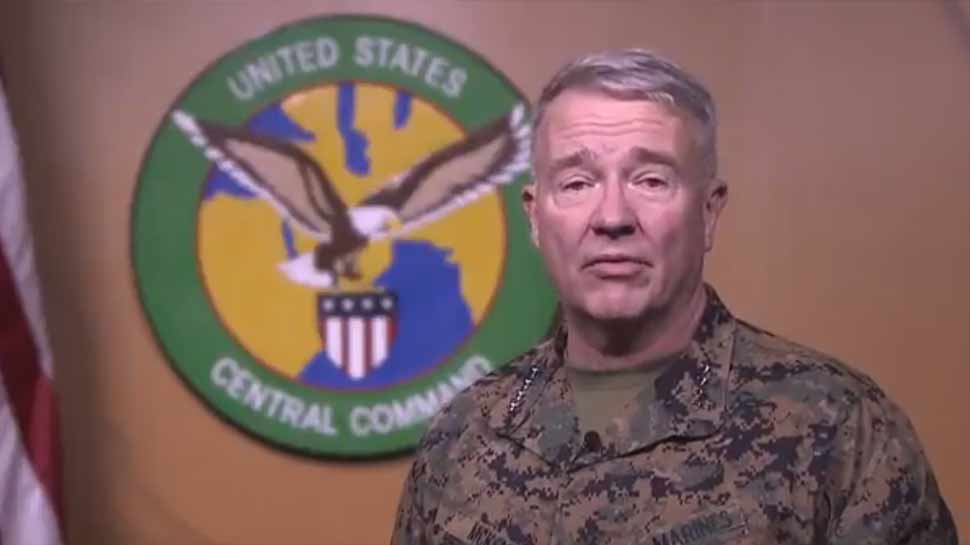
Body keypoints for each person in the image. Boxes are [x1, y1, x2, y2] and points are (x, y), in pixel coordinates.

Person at [390, 49, 957, 545]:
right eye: (578, 183)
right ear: (537, 219)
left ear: (708, 211)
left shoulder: (837, 426)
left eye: (651, 180)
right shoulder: (464, 434)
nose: (613, 217)